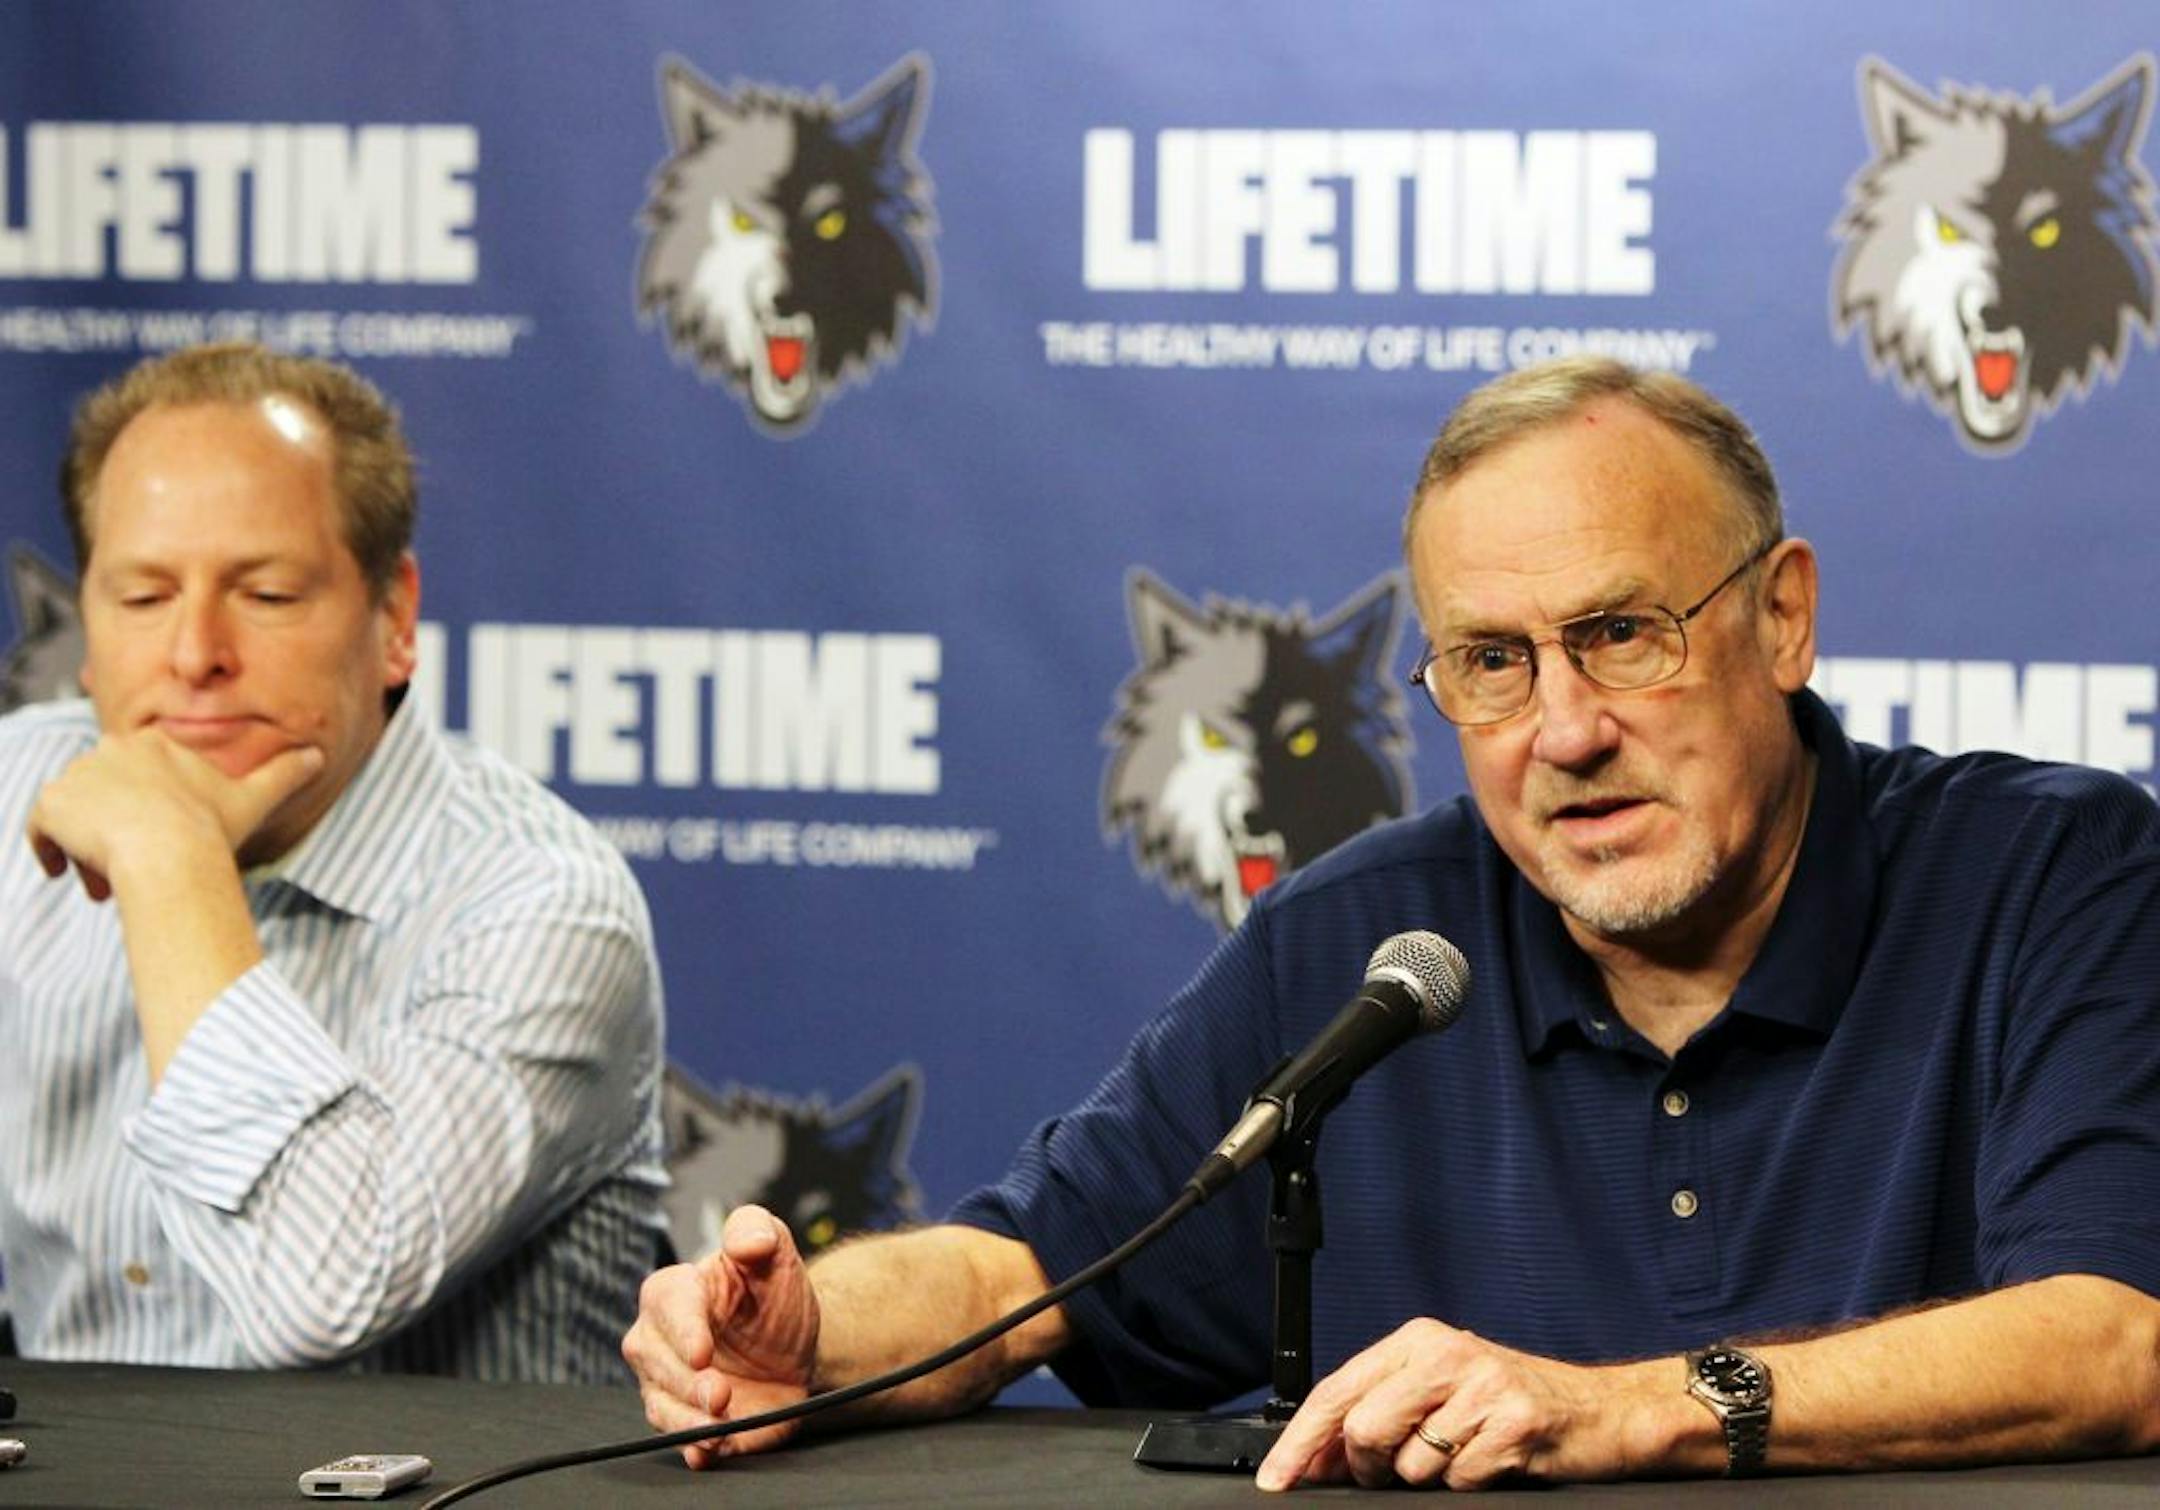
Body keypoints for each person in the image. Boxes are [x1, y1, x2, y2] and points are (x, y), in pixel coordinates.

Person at [623, 357, 2160, 1485]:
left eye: (1621, 635)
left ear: (1782, 617)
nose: (1561, 729)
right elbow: (1017, 1275)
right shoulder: (1368, 948)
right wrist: (809, 1337)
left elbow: (2116, 1335)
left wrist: (1634, 1403)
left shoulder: (2052, 878)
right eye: (1490, 661)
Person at [0, 343, 667, 1383]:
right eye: (140, 598)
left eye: (264, 595)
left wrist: (172, 860)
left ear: (393, 619)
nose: (194, 655)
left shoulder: (542, 905)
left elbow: (314, 1291)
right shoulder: (18, 791)